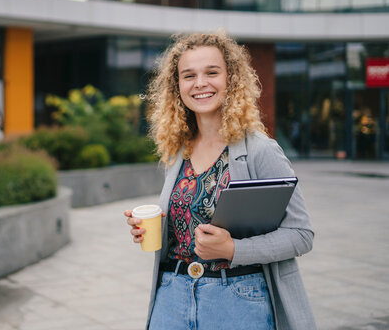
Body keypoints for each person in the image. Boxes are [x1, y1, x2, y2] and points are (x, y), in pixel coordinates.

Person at [124, 32, 316, 330]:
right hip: (172, 296)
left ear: (232, 79)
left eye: (211, 72)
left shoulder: (260, 150)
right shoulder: (178, 150)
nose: (200, 83)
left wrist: (232, 250)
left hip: (236, 300)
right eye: (189, 75)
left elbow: (301, 234)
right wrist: (153, 228)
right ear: (177, 87)